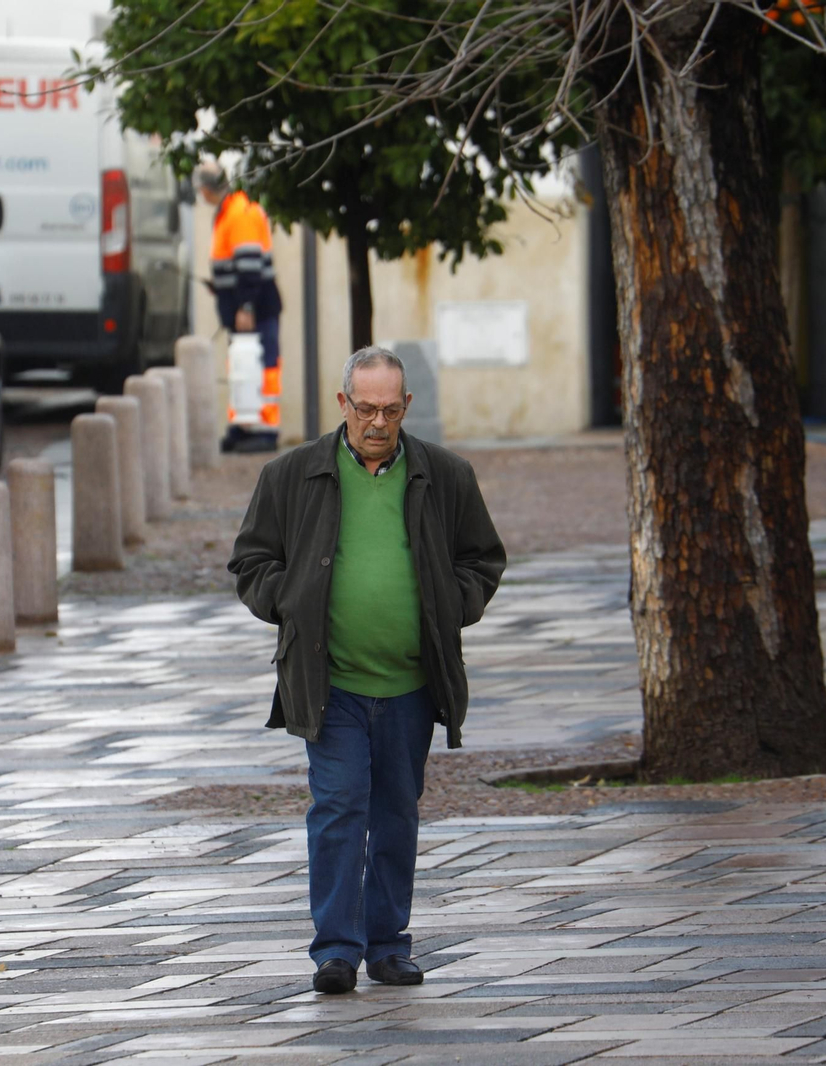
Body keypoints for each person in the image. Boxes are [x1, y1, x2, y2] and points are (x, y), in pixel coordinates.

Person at [228, 346, 506, 995]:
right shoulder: (292, 475)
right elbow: (251, 561)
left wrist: (449, 606)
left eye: (389, 409)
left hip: (411, 682)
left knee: (396, 812)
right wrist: (291, 604)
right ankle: (335, 949)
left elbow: (483, 559)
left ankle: (388, 944)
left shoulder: (445, 475)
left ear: (406, 407)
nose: (377, 422)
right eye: (364, 408)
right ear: (342, 404)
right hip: (331, 682)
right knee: (339, 807)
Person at [195, 161, 284, 452]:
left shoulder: (239, 213)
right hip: (246, 306)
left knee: (263, 367)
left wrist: (245, 304)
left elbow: (249, 265)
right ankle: (244, 426)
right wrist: (221, 287)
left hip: (255, 308)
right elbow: (238, 264)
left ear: (208, 189)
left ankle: (265, 430)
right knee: (243, 367)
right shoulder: (230, 211)